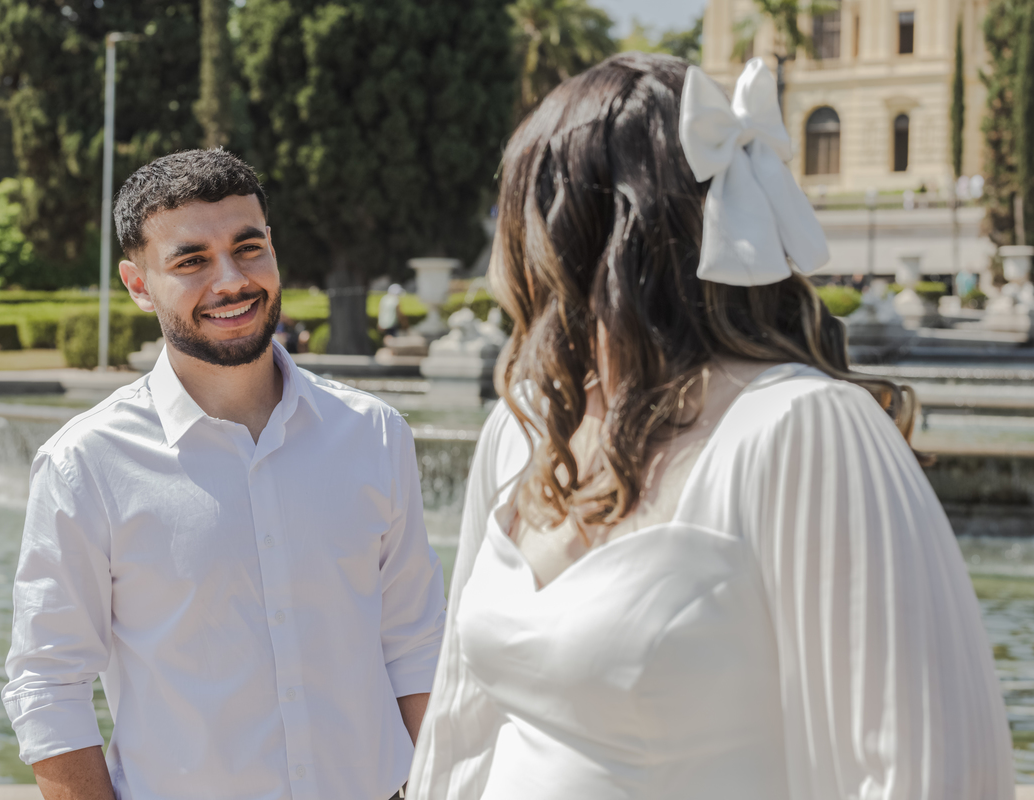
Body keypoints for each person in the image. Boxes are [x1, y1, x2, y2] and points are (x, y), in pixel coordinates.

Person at [408, 54, 1012, 799]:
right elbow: (463, 726)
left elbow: (925, 770)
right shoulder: (527, 428)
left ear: (579, 233)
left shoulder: (801, 431)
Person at [3, 149, 446, 800]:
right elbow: (48, 683)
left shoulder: (374, 434)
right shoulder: (85, 465)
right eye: (191, 261)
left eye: (248, 248)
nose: (231, 280)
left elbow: (416, 645)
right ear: (136, 284)